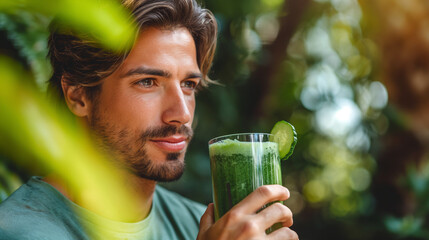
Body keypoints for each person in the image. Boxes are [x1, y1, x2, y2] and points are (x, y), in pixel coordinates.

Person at [0, 0, 298, 239]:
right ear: (78, 96)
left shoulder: (204, 225)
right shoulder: (19, 231)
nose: (181, 113)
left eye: (188, 85)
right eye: (148, 82)